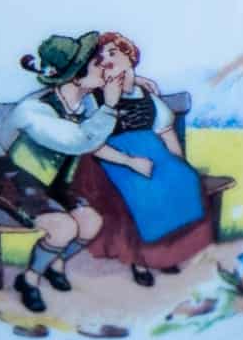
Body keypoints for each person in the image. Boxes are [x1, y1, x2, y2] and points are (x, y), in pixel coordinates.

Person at [0, 31, 128, 314]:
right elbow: (77, 140)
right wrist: (110, 108)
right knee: (64, 227)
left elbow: (90, 139)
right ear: (76, 75)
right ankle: (30, 279)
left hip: (53, 181)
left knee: (91, 223)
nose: (105, 67)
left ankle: (54, 263)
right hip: (12, 178)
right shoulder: (35, 110)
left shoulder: (85, 103)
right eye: (98, 63)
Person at [77, 32, 214, 286]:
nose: (106, 59)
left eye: (113, 54)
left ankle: (165, 253)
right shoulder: (94, 96)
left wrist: (178, 162)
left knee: (181, 180)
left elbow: (166, 131)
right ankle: (140, 259)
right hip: (108, 158)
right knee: (141, 191)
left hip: (151, 151)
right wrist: (129, 161)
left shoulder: (145, 94)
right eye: (101, 56)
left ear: (130, 57)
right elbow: (92, 141)